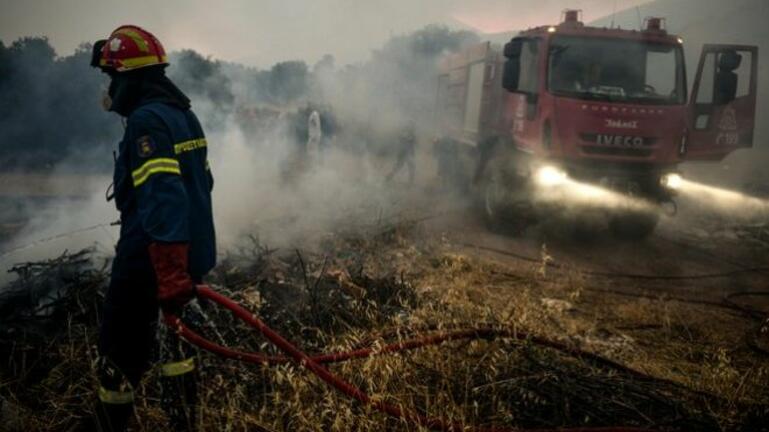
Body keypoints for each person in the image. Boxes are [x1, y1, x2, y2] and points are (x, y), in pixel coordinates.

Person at [89, 25, 216, 431]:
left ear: (131, 77)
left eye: (113, 77)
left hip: (151, 255)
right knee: (174, 347)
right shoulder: (184, 114)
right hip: (189, 251)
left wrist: (167, 267)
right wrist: (183, 264)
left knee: (118, 348)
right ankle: (184, 421)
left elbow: (164, 195)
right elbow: (203, 184)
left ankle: (112, 422)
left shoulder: (146, 120)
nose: (111, 86)